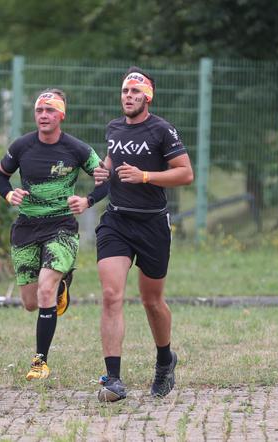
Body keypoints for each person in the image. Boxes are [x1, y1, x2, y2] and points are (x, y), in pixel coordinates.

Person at [93, 67, 194, 401]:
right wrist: (102, 173)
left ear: (147, 96)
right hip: (117, 221)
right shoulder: (113, 128)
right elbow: (111, 163)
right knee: (111, 294)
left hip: (152, 223)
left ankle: (165, 360)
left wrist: (145, 176)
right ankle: (113, 381)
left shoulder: (161, 130)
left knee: (152, 301)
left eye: (136, 91)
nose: (128, 96)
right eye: (125, 91)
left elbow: (185, 174)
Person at [0, 88, 106, 381]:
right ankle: (61, 288)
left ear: (61, 115)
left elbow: (107, 178)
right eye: (40, 110)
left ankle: (40, 362)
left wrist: (87, 201)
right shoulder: (21, 147)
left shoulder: (77, 149)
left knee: (44, 290)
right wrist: (9, 195)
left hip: (61, 227)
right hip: (26, 227)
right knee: (31, 302)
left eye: (50, 110)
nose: (44, 115)